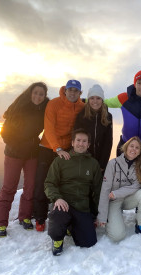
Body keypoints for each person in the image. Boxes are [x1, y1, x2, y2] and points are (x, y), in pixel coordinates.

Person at [0, 82, 49, 237]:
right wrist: (18, 144)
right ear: (30, 93)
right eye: (36, 92)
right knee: (9, 187)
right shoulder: (18, 108)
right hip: (14, 153)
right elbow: (5, 133)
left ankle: (25, 217)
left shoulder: (43, 109)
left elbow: (61, 105)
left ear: (44, 97)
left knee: (30, 187)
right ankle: (0, 223)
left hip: (32, 153)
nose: (38, 96)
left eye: (41, 94)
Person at [32, 79, 85, 231]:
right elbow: (49, 129)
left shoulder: (82, 106)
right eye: (70, 90)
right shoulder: (54, 104)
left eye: (76, 91)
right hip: (48, 147)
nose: (72, 93)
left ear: (80, 93)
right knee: (42, 180)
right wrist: (58, 149)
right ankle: (40, 217)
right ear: (65, 90)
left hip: (67, 148)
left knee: (64, 183)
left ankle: (61, 213)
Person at [44, 128, 102, 256]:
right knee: (58, 217)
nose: (81, 143)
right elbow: (49, 183)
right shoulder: (61, 160)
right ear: (72, 143)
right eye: (78, 140)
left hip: (82, 207)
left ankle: (71, 226)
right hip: (63, 204)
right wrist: (57, 198)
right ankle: (58, 240)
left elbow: (97, 190)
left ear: (88, 144)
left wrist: (98, 213)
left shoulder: (93, 164)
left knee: (88, 243)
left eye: (84, 141)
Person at [96, 137, 141, 241]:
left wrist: (117, 193)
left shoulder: (140, 166)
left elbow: (136, 186)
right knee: (117, 236)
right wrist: (102, 216)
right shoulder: (113, 163)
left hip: (128, 198)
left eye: (137, 148)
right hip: (114, 201)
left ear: (140, 152)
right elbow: (105, 189)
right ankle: (113, 219)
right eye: (131, 146)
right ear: (126, 147)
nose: (133, 149)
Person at [73, 84, 113, 170]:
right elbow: (76, 137)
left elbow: (108, 142)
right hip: (84, 158)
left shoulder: (108, 116)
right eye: (92, 98)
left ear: (102, 100)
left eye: (98, 98)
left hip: (100, 160)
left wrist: (102, 164)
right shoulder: (82, 115)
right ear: (88, 99)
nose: (95, 101)